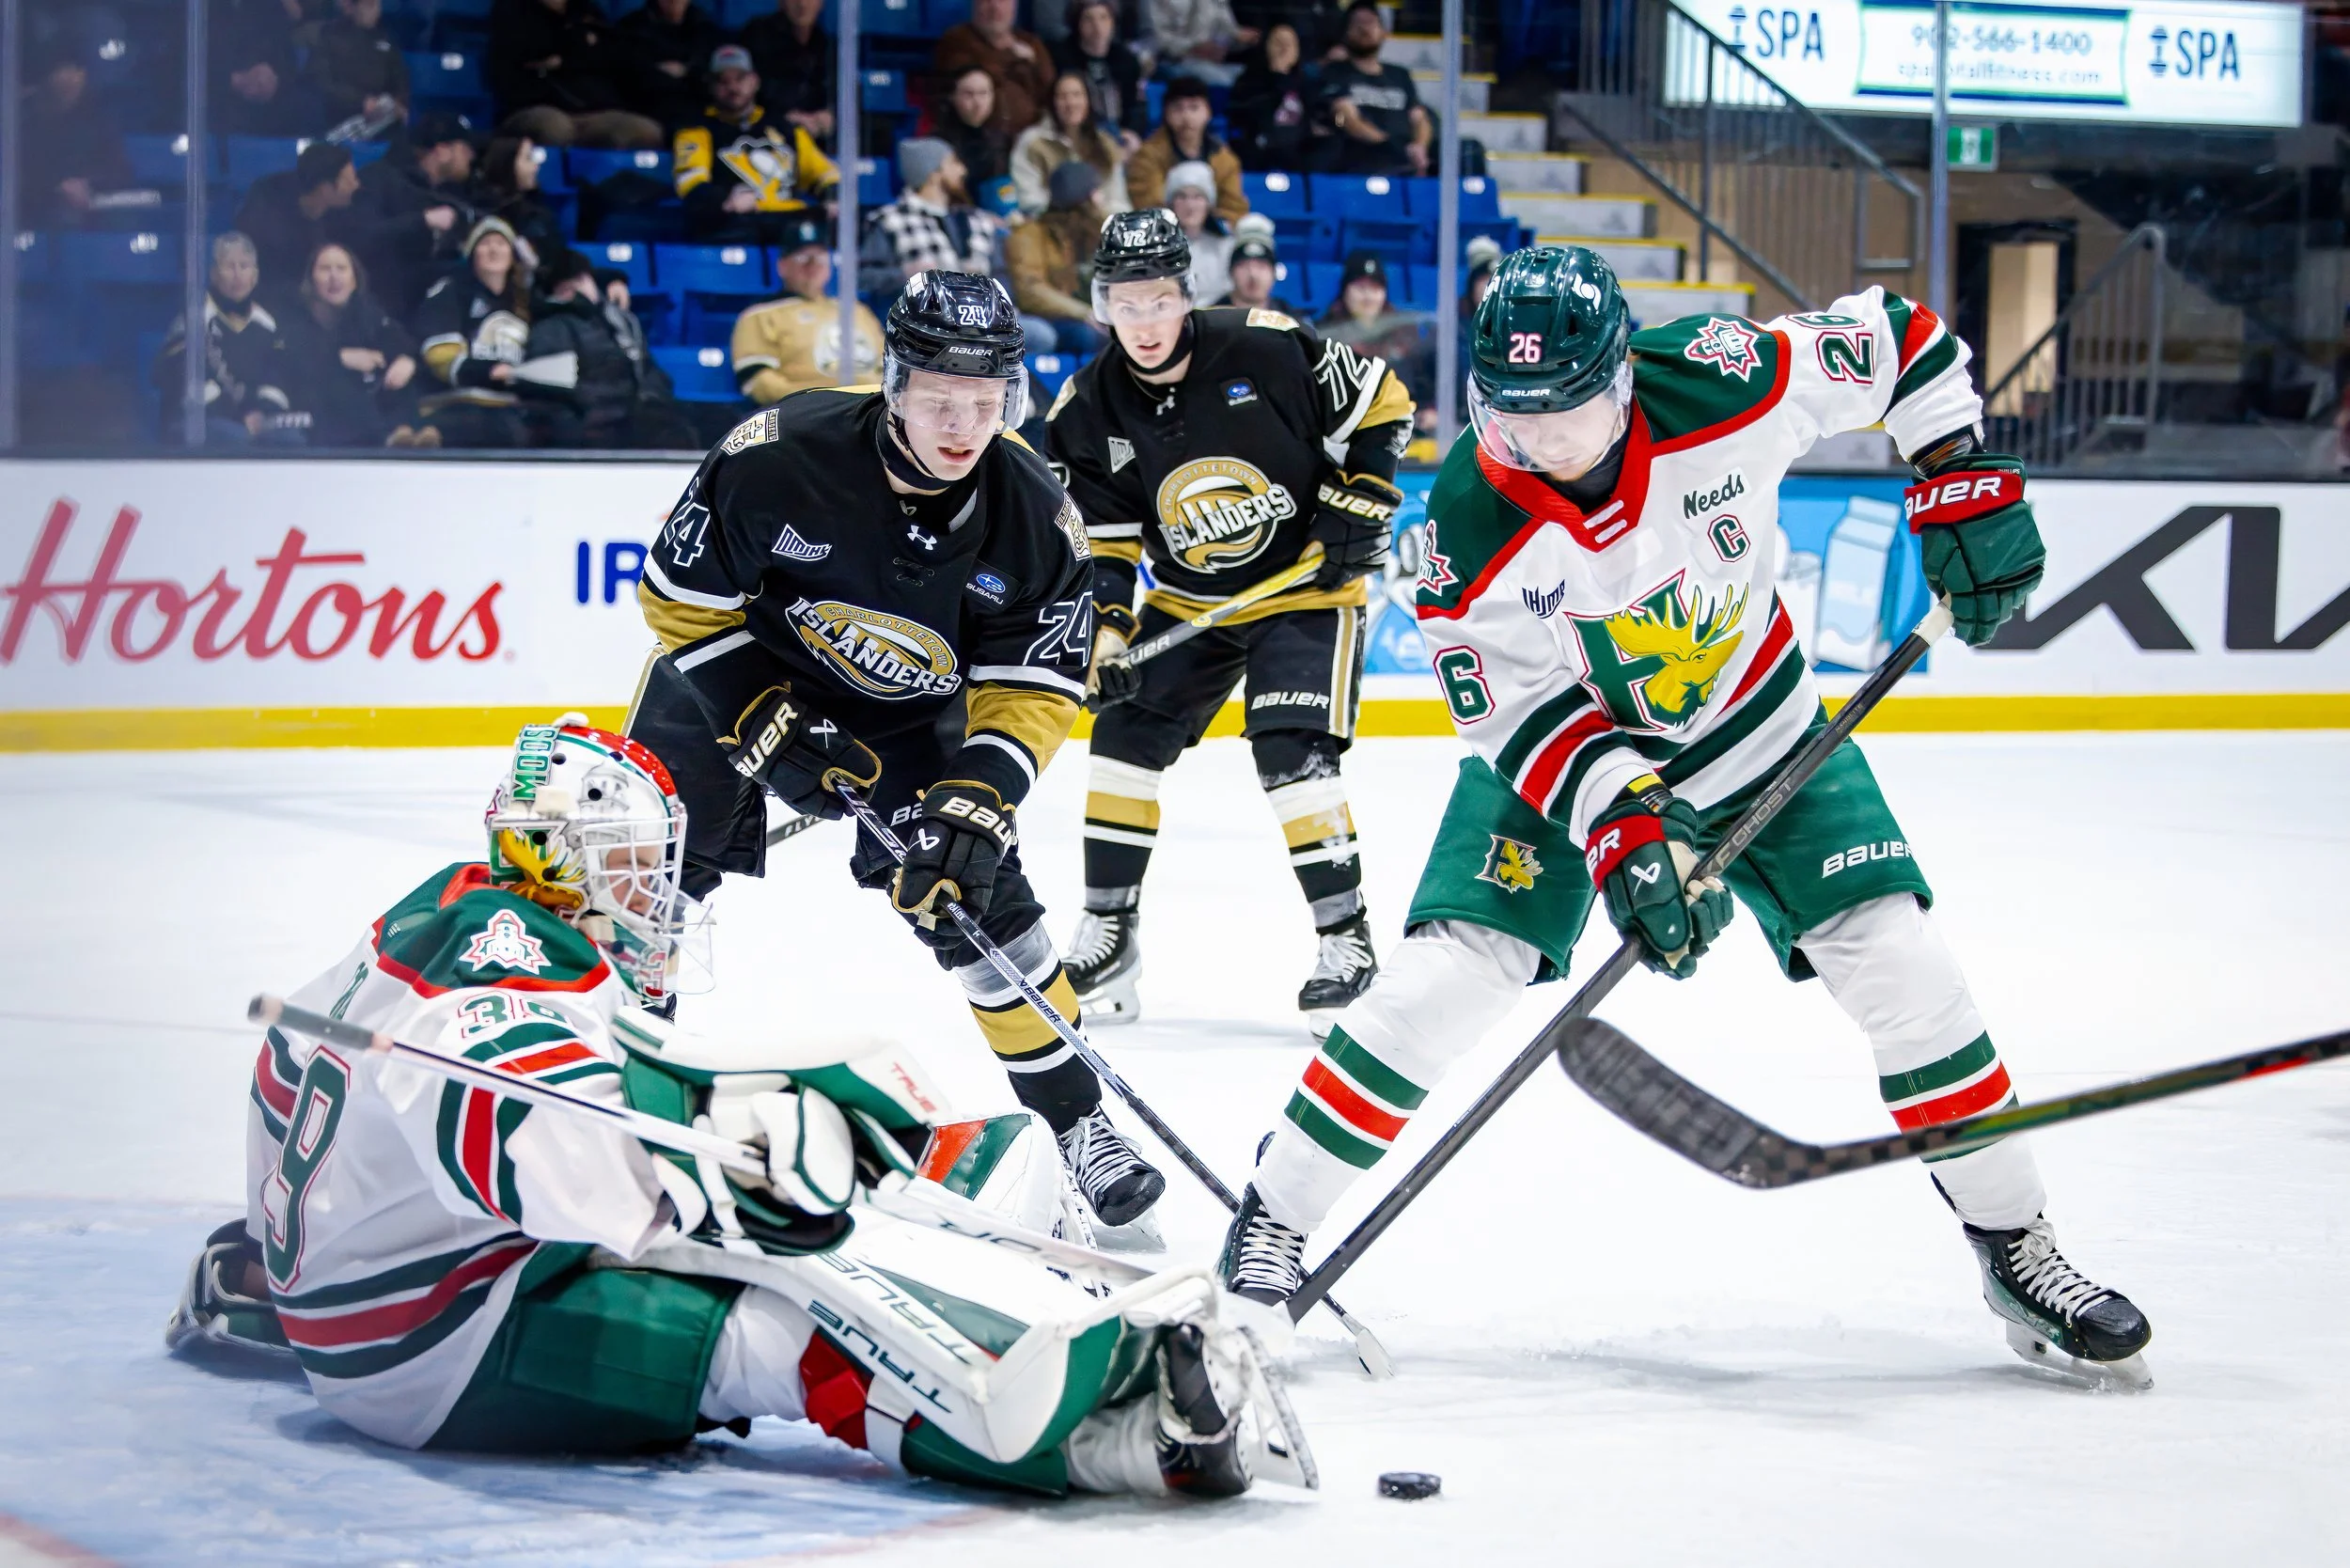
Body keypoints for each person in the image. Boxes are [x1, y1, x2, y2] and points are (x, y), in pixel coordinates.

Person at [1214, 244, 2154, 1390]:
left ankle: (2018, 1246)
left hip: (1764, 729)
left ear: (1621, 379)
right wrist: (1623, 821)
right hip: (1564, 759)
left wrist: (1955, 467)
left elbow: (1900, 340)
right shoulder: (1462, 516)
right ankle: (1273, 1216)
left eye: (1567, 415)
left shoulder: (1722, 378)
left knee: (1906, 972)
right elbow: (1512, 705)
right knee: (1445, 983)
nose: (1543, 447)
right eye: (1512, 420)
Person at [162, 717, 1284, 1498]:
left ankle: (261, 1291)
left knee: (812, 1179)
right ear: (572, 863)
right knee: (788, 1324)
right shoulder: (505, 983)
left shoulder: (446, 907)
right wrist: (723, 1188)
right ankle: (1121, 1442)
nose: (658, 893)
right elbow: (559, 1160)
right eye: (638, 867)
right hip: (441, 1354)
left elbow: (358, 1102)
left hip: (362, 1284)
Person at [625, 273, 1172, 1232]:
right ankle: (613, 1085)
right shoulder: (777, 454)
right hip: (744, 671)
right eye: (939, 399)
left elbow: (1032, 688)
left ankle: (1079, 1124)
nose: (963, 425)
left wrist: (977, 799)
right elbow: (678, 594)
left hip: (908, 714)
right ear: (894, 385)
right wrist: (750, 701)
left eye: (985, 401)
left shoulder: (1037, 517)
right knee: (650, 864)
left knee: (979, 904)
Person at [1044, 211, 1414, 1030]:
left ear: (1187, 293)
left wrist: (1368, 493)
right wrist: (1108, 629)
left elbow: (1385, 404)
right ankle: (1110, 929)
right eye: (1125, 303)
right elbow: (1103, 542)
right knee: (1123, 737)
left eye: (1159, 300)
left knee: (1291, 751)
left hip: (1305, 588)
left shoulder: (1266, 343)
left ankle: (1346, 941)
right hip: (1188, 599)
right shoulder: (1085, 406)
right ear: (1103, 304)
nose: (1143, 323)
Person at [675, 44, 841, 245]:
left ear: (755, 81)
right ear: (712, 86)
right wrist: (726, 199)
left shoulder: (785, 128)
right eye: (723, 81)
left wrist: (833, 198)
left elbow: (824, 172)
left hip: (791, 221)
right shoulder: (696, 131)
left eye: (740, 78)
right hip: (741, 224)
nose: (733, 88)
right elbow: (691, 184)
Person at [151, 232, 302, 445]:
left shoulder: (267, 325)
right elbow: (181, 378)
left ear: (255, 276)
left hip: (254, 419)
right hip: (202, 420)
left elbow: (277, 377)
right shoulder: (192, 320)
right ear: (214, 274)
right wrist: (240, 417)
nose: (237, 274)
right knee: (235, 437)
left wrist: (263, 412)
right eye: (229, 266)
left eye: (244, 266)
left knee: (290, 439)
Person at [278, 242, 424, 447]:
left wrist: (406, 359)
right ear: (311, 279)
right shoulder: (295, 314)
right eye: (325, 269)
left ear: (355, 280)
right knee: (341, 382)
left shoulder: (366, 311)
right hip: (317, 417)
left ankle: (407, 433)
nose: (334, 276)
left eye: (341, 269)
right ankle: (389, 437)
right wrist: (340, 358)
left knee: (398, 376)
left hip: (365, 414)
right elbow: (293, 361)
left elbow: (396, 337)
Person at [731, 212, 884, 402]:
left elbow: (887, 368)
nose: (813, 266)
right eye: (803, 258)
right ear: (782, 266)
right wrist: (814, 402)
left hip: (871, 410)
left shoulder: (856, 310)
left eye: (819, 258)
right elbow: (759, 382)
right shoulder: (760, 315)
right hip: (811, 415)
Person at [415, 216, 539, 447]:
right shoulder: (450, 292)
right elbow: (440, 356)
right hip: (461, 404)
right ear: (472, 254)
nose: (493, 249)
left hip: (513, 405)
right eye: (485, 243)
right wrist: (489, 371)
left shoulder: (527, 300)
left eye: (501, 244)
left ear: (512, 256)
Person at [346, 112, 476, 318]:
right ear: (442, 151)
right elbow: (363, 234)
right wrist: (423, 221)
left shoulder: (449, 193)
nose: (471, 156)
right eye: (465, 149)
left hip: (422, 301)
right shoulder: (378, 178)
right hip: (380, 300)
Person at [488, 0, 665, 149]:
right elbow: (524, 55)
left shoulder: (587, 11)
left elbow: (610, 57)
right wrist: (579, 45)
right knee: (556, 127)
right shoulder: (512, 10)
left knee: (646, 131)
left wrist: (562, 60)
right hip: (533, 108)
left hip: (591, 110)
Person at [857, 140, 1005, 307]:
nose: (962, 170)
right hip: (926, 323)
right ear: (934, 172)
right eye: (954, 162)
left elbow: (1002, 276)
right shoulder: (890, 220)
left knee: (1031, 329)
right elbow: (864, 277)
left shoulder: (978, 220)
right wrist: (906, 274)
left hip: (984, 318)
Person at [22, 43, 134, 228]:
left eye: (77, 70)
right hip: (36, 208)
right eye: (63, 70)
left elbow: (120, 171)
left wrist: (87, 183)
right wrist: (58, 187)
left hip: (90, 206)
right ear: (47, 77)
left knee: (123, 221)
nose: (72, 78)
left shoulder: (98, 119)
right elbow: (18, 174)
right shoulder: (24, 120)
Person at [1314, 1, 1431, 177]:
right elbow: (1346, 119)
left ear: (1383, 31)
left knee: (1467, 151)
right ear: (1345, 32)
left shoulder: (1400, 75)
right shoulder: (1335, 72)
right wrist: (1390, 146)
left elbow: (1419, 118)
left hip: (1406, 153)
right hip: (1362, 153)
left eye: (1370, 22)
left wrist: (1420, 146)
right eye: (1358, 23)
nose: (1364, 29)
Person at [1007, 162, 1108, 356]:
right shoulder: (1030, 234)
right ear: (1084, 198)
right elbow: (1030, 291)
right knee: (1087, 335)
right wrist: (1084, 312)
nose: (1102, 198)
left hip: (1089, 315)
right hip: (1049, 318)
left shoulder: (1100, 231)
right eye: (1096, 191)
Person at [233, 142, 363, 292]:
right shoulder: (270, 223)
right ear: (325, 189)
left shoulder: (342, 213)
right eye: (350, 181)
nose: (356, 185)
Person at [1126, 76, 1246, 224]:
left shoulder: (1225, 159)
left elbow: (1234, 208)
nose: (1186, 117)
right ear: (1166, 113)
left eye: (1194, 107)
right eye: (1178, 108)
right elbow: (1147, 205)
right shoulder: (1147, 156)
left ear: (1208, 112)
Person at [1012, 71, 1132, 219]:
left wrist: (1100, 212)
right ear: (1052, 102)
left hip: (1097, 226)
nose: (1071, 103)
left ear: (1088, 101)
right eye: (1063, 97)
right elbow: (1028, 199)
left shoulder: (1105, 143)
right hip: (1050, 225)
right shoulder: (1033, 142)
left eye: (1077, 95)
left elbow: (1118, 200)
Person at [933, 0, 1057, 139]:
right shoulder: (957, 39)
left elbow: (1051, 87)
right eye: (986, 1)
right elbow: (984, 74)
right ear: (975, 5)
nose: (995, 7)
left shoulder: (1031, 42)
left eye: (1002, 1)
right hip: (980, 138)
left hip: (1032, 138)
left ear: (1014, 6)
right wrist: (1015, 57)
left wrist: (1033, 62)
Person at [1053, 0, 1151, 148]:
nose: (1097, 27)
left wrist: (1131, 132)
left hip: (1119, 133)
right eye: (1088, 19)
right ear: (1077, 23)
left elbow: (1136, 105)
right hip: (1078, 134)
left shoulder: (1127, 60)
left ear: (1113, 22)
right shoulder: (1062, 57)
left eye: (1104, 18)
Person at [619, 0, 727, 129]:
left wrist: (687, 71)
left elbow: (714, 76)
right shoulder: (631, 27)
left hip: (699, 111)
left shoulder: (706, 28)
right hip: (647, 113)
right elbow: (628, 75)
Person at [211, 0, 313, 136]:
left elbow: (284, 55)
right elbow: (179, 63)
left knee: (304, 105)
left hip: (268, 94)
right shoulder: (197, 9)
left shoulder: (266, 6)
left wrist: (272, 77)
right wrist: (234, 80)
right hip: (214, 92)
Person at [739, 0, 836, 142]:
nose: (802, 4)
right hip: (763, 136)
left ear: (821, 3)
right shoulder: (758, 34)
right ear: (781, 2)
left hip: (815, 138)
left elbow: (838, 92)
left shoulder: (826, 43)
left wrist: (829, 116)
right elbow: (744, 91)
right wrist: (785, 117)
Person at [307, 0, 410, 131]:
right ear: (353, 7)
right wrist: (361, 101)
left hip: (380, 118)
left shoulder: (385, 37)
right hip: (340, 114)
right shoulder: (330, 35)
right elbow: (321, 80)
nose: (376, 11)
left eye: (378, 5)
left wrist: (399, 103)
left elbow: (400, 78)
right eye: (369, 5)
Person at [1227, 22, 1313, 172]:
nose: (1284, 49)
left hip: (1296, 148)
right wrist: (1278, 76)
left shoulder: (1306, 83)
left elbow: (1323, 118)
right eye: (1278, 43)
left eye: (1289, 44)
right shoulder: (1249, 80)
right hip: (1260, 145)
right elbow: (1249, 115)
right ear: (1266, 47)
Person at [477, 133, 569, 270]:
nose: (535, 167)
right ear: (507, 162)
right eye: (528, 159)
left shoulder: (539, 213)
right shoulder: (477, 208)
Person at [1165, 160, 1231, 306]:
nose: (1190, 205)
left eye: (1197, 197)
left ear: (1208, 204)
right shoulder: (1159, 248)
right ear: (1171, 203)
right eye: (1182, 196)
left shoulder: (1226, 248)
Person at [938, 67, 1013, 192]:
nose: (977, 103)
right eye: (969, 94)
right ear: (953, 97)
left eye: (983, 93)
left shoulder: (1004, 139)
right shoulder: (939, 142)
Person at [1150, 0, 1259, 86]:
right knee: (1223, 81)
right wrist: (1193, 47)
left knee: (1253, 80)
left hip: (1213, 64)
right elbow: (1154, 39)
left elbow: (1227, 31)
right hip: (1172, 62)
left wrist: (1241, 38)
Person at [1215, 220, 1295, 313]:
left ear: (1274, 273)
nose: (1253, 274)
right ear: (1231, 272)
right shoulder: (1211, 319)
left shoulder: (1290, 319)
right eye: (1244, 266)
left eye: (1261, 267)